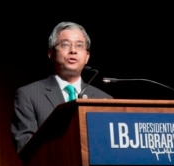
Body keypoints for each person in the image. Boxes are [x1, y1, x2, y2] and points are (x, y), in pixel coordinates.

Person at [11, 21, 113, 153]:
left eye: (79, 46)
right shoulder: (28, 95)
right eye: (65, 44)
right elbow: (25, 148)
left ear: (87, 57)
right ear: (50, 53)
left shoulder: (104, 99)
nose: (73, 51)